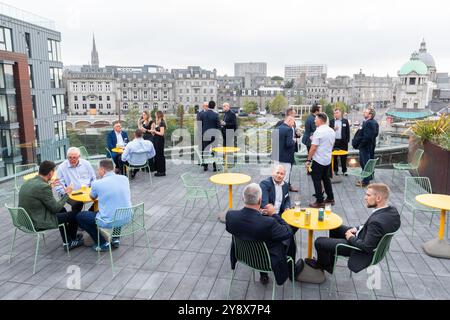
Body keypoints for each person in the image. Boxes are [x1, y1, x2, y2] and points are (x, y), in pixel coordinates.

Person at [305, 183, 401, 274]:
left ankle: (322, 265)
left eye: (368, 195)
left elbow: (367, 247)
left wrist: (350, 237)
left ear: (378, 198)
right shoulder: (391, 211)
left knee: (319, 242)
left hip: (358, 249)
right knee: (335, 227)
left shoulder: (376, 222)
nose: (365, 198)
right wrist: (356, 228)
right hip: (363, 236)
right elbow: (369, 226)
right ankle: (329, 262)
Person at [225, 183, 304, 285]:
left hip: (243, 255)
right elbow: (288, 232)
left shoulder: (231, 216)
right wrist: (274, 214)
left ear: (243, 198)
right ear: (260, 200)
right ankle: (291, 272)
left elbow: (245, 226)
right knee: (290, 238)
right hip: (266, 261)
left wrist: (259, 213)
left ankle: (263, 275)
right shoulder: (269, 223)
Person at [18, 161, 83, 250]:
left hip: (26, 219)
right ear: (50, 173)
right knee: (76, 214)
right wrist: (67, 193)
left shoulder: (28, 182)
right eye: (54, 172)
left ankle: (69, 240)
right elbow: (55, 208)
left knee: (63, 210)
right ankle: (70, 242)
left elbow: (39, 192)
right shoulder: (43, 187)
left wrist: (49, 185)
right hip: (37, 222)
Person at [76, 159, 132, 251]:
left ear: (102, 170)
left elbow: (92, 197)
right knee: (118, 206)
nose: (98, 172)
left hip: (109, 221)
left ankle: (102, 243)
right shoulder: (124, 178)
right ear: (113, 168)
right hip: (127, 216)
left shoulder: (97, 183)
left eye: (98, 170)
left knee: (80, 216)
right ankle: (115, 238)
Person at [305, 112, 336, 208]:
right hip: (327, 159)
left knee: (317, 180)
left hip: (318, 160)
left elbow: (313, 148)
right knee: (326, 179)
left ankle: (319, 201)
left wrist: (308, 160)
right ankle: (330, 198)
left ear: (321, 120)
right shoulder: (331, 131)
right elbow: (331, 144)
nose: (314, 120)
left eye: (316, 119)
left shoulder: (318, 131)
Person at [55, 147, 96, 214]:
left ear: (79, 157)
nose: (72, 160)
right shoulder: (62, 167)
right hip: (71, 193)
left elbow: (93, 178)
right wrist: (66, 192)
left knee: (102, 197)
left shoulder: (86, 164)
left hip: (87, 191)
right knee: (78, 204)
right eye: (70, 157)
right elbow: (59, 185)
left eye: (74, 157)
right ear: (67, 157)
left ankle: (88, 215)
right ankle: (74, 223)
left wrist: (93, 189)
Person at [275, 108, 300, 192]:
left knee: (289, 170)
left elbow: (293, 134)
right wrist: (293, 141)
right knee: (282, 171)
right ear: (289, 115)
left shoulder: (293, 123)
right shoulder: (280, 123)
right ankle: (283, 188)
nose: (295, 117)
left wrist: (297, 134)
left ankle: (287, 185)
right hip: (283, 152)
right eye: (294, 114)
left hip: (290, 152)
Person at [353, 107, 379, 187]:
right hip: (368, 147)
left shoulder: (369, 123)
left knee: (365, 163)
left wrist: (360, 145)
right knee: (366, 163)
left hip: (365, 148)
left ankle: (365, 182)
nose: (364, 113)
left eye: (366, 112)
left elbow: (367, 137)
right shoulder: (372, 122)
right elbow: (375, 134)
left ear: (370, 114)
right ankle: (368, 177)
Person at [272, 115, 296, 188]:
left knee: (276, 176)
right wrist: (294, 141)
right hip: (286, 157)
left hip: (276, 156)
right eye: (293, 122)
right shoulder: (289, 130)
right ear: (289, 121)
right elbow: (288, 144)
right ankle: (283, 193)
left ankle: (275, 191)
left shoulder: (277, 128)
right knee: (285, 177)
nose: (293, 124)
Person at [197, 100, 221, 172]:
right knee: (214, 151)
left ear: (208, 106)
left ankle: (205, 166)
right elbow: (218, 126)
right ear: (214, 106)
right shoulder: (216, 115)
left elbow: (199, 125)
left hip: (205, 135)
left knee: (205, 151)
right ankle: (214, 167)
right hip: (214, 136)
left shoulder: (202, 114)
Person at [329, 108, 350, 176]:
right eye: (334, 113)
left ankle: (344, 170)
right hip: (334, 142)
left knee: (343, 157)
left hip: (343, 142)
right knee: (334, 157)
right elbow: (328, 130)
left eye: (337, 113)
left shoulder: (345, 121)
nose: (336, 114)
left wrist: (347, 141)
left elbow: (348, 132)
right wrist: (333, 129)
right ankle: (336, 170)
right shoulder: (331, 121)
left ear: (340, 113)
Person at [149, 110, 166, 177]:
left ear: (158, 115)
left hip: (159, 141)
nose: (155, 116)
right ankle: (159, 170)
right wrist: (153, 131)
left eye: (156, 115)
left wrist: (154, 131)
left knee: (160, 155)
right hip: (156, 140)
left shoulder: (162, 123)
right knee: (157, 155)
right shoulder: (158, 123)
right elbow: (156, 132)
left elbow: (162, 133)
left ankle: (161, 171)